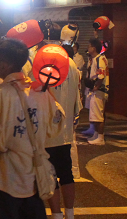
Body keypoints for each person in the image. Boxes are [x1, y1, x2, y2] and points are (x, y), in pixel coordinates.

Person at [0, 38, 65, 219]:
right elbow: (58, 122)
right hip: (35, 174)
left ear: (4, 65)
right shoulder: (39, 92)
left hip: (8, 175)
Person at [44, 43, 83, 219]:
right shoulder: (72, 66)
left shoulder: (44, 66)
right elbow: (77, 101)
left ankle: (56, 214)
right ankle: (70, 213)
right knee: (66, 175)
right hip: (65, 132)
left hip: (46, 132)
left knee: (49, 176)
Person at [85, 38, 109, 145]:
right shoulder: (96, 59)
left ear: (93, 48)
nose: (88, 48)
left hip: (99, 91)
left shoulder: (99, 59)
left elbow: (101, 75)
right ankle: (96, 134)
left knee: (98, 115)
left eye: (89, 46)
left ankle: (100, 137)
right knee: (95, 114)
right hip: (97, 90)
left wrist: (96, 87)